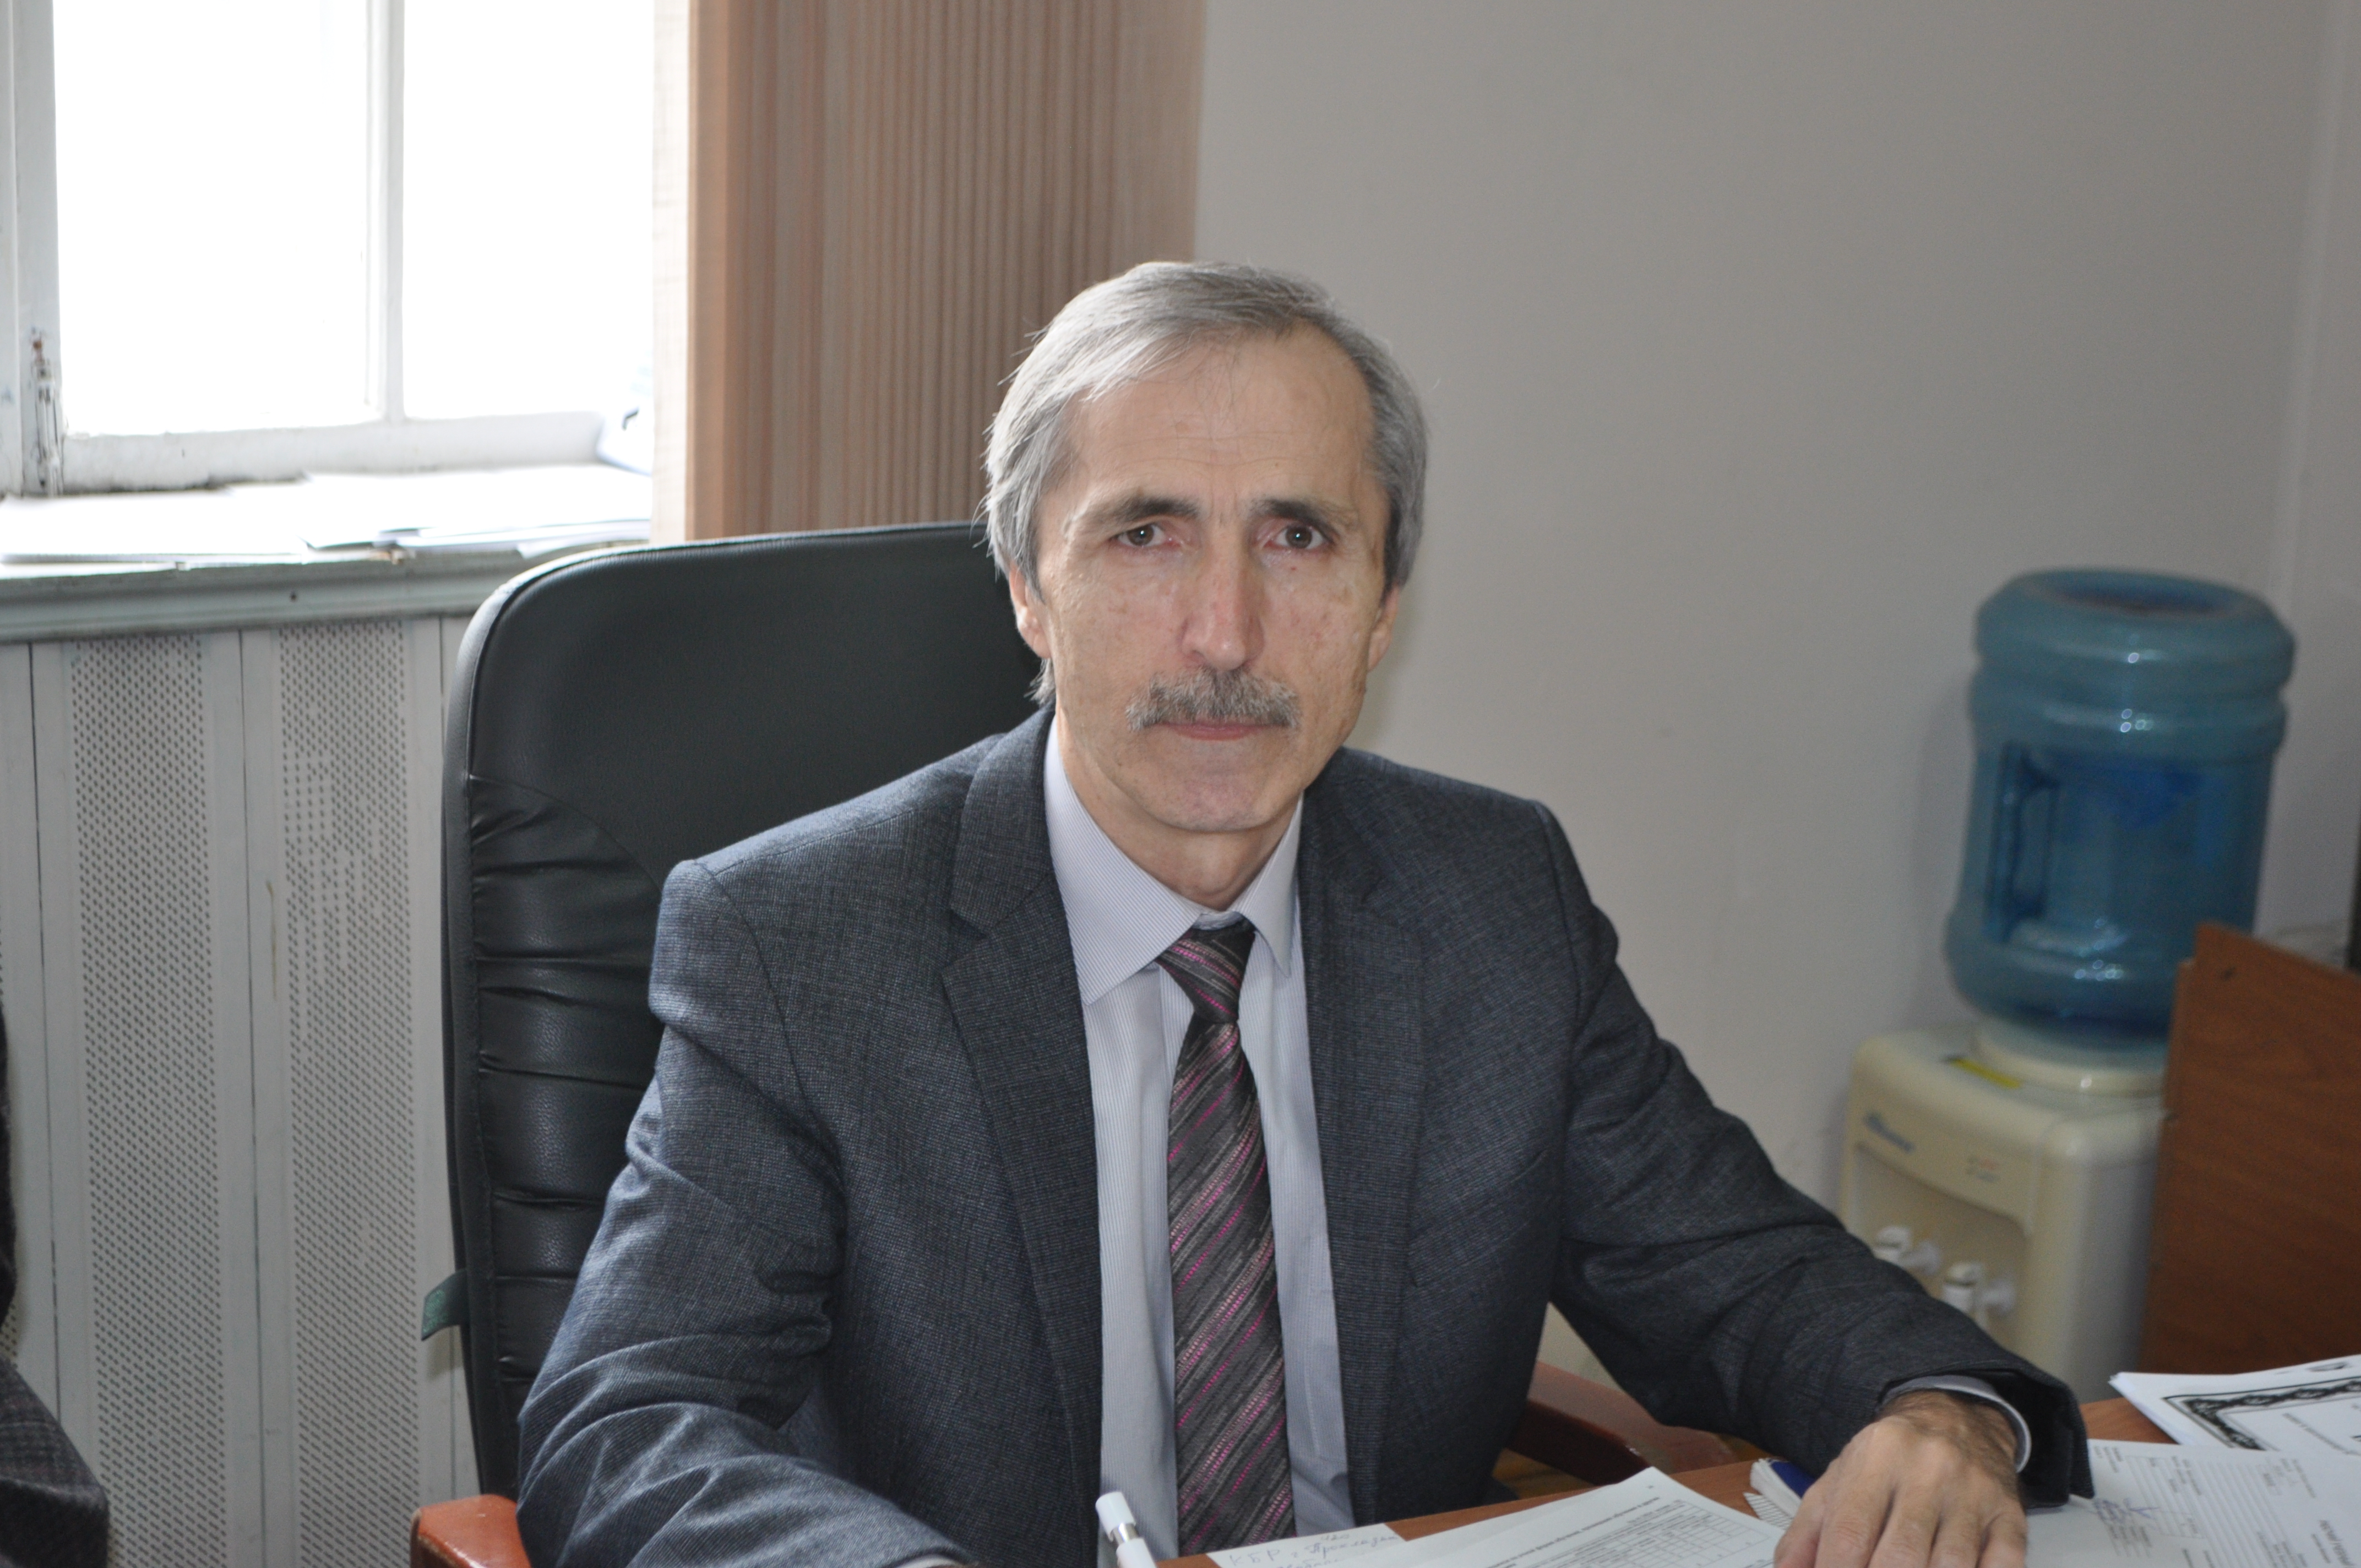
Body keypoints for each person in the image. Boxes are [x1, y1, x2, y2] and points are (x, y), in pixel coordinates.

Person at [517, 262, 2088, 1568]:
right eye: (1147, 534)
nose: (1227, 632)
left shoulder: (1491, 901)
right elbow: (632, 1423)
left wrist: (1942, 1411)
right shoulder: (800, 945)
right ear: (1027, 589)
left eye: (1300, 537)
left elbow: (1733, 1270)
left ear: (1384, 605)